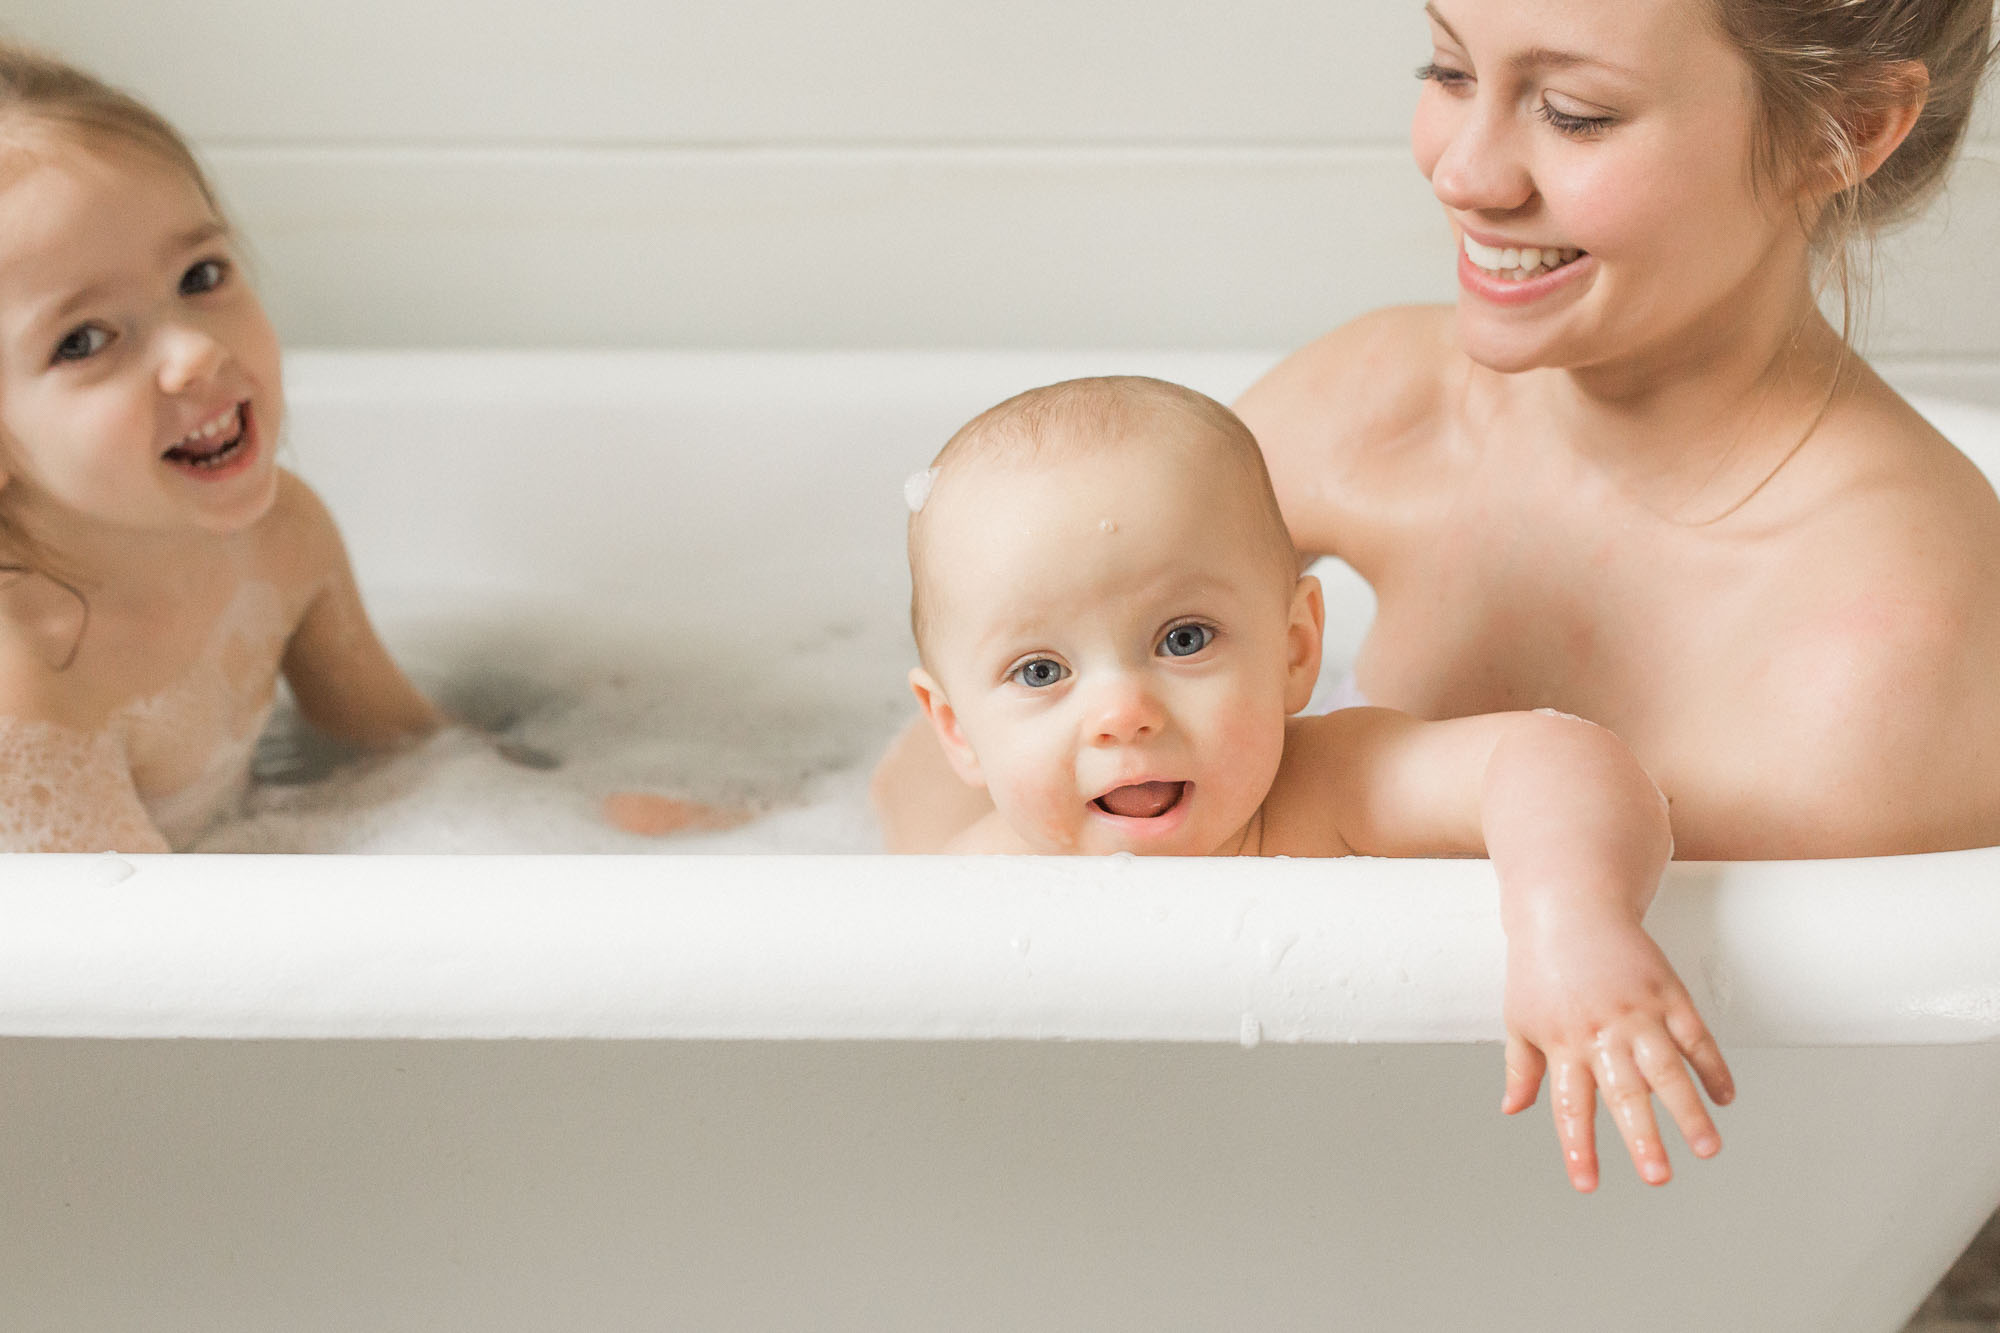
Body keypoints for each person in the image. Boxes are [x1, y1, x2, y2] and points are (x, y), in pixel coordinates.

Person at [877, 0, 2000, 854]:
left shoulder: (1887, 659)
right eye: (1448, 69)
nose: (1460, 172)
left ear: (1842, 133)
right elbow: (939, 778)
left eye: (1574, 113)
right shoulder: (1381, 401)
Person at [904, 374, 1733, 1193]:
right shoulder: (962, 886)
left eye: (1184, 638)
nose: (1122, 712)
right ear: (955, 730)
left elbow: (1558, 756)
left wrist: (1570, 921)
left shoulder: (1329, 783)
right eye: (1041, 669)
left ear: (1296, 648)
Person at [0, 44, 441, 851]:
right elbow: (146, 963)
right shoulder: (30, 684)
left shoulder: (282, 536)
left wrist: (596, 815)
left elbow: (410, 757)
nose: (196, 353)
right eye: (86, 339)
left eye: (200, 277)